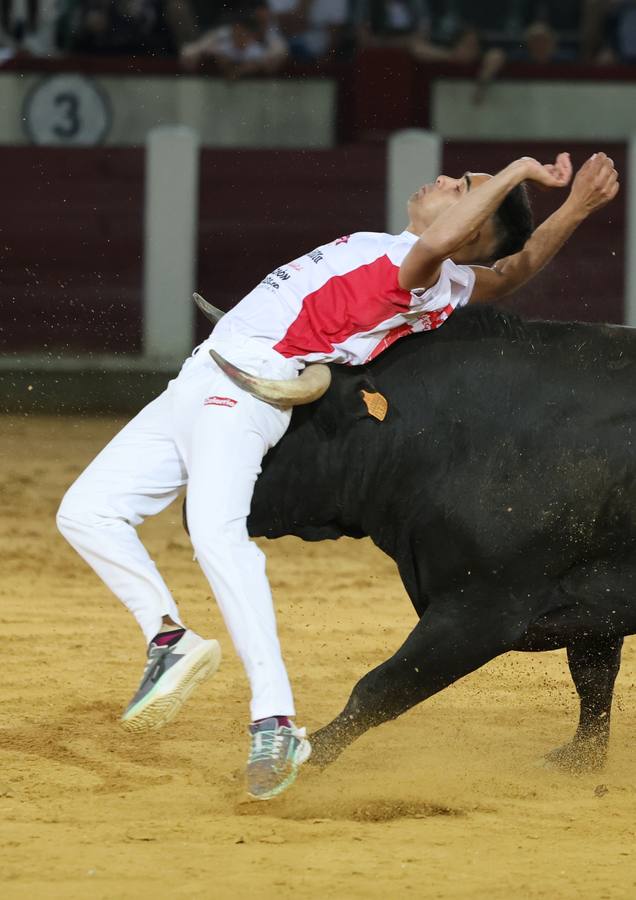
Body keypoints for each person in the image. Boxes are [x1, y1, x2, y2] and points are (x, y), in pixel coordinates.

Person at [57, 150, 618, 801]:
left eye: (461, 186)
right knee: (87, 511)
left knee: (217, 534)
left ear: (467, 228)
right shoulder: (443, 279)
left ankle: (274, 725)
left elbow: (454, 245)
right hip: (201, 373)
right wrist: (574, 209)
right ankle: (169, 639)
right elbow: (511, 271)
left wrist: (521, 173)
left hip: (248, 392)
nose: (441, 179)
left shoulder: (416, 271)